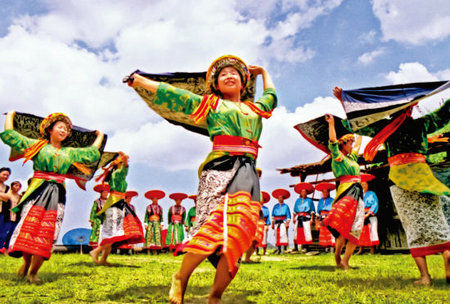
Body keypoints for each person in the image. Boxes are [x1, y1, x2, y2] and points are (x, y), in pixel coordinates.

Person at [125, 54, 276, 304]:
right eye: (223, 74)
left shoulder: (255, 109)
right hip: (219, 167)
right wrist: (140, 81)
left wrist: (262, 71)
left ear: (243, 83)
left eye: (234, 73)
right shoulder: (210, 104)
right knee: (211, 228)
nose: (229, 76)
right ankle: (180, 278)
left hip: (248, 172)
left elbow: (271, 96)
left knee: (238, 233)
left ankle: (215, 296)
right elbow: (175, 95)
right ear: (216, 84)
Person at [335, 87, 450, 284]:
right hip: (424, 177)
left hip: (401, 178)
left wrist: (343, 101)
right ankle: (447, 255)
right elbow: (445, 113)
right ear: (411, 109)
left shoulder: (386, 128)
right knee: (437, 221)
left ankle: (425, 277)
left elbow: (356, 123)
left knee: (412, 226)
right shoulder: (423, 123)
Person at [0, 111, 103, 283]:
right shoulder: (38, 146)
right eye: (60, 127)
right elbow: (10, 137)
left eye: (66, 129)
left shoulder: (70, 152)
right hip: (37, 191)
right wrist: (10, 116)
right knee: (29, 229)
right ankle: (26, 264)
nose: (63, 131)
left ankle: (33, 272)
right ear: (50, 129)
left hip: (57, 194)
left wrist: (99, 136)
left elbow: (92, 153)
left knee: (46, 232)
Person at [323, 114, 364, 270]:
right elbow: (333, 141)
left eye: (352, 142)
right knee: (343, 226)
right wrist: (331, 124)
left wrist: (360, 128)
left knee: (357, 227)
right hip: (346, 192)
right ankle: (337, 255)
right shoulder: (338, 157)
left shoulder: (353, 158)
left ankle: (346, 261)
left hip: (358, 194)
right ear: (343, 144)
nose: (352, 145)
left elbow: (359, 145)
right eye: (350, 143)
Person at [89, 153, 144, 266]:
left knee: (113, 235)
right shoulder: (118, 173)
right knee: (114, 234)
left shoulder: (114, 173)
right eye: (122, 162)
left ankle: (103, 258)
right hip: (115, 204)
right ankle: (96, 251)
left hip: (117, 204)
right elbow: (125, 170)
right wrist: (125, 161)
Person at [292, 182, 315, 253]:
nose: (303, 193)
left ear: (307, 193)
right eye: (302, 192)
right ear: (300, 193)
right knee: (297, 232)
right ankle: (296, 248)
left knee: (306, 232)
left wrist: (311, 218)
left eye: (305, 192)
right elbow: (295, 210)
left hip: (306, 218)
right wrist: (293, 218)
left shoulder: (309, 201)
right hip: (299, 218)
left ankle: (306, 248)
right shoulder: (298, 200)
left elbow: (312, 210)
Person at [357, 181, 379, 254]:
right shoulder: (359, 195)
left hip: (370, 214)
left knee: (371, 231)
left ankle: (372, 250)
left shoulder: (372, 193)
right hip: (361, 214)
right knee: (361, 232)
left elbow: (375, 204)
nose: (363, 186)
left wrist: (368, 214)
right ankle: (361, 249)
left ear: (368, 185)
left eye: (365, 184)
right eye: (362, 184)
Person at [0, 181, 22, 253]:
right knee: (3, 234)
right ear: (12, 186)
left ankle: (6, 250)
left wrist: (15, 210)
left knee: (12, 235)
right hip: (7, 218)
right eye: (16, 185)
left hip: (16, 219)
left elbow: (20, 207)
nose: (17, 187)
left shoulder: (20, 197)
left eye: (19, 186)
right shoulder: (7, 195)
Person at [315, 182, 336, 251]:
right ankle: (326, 248)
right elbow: (318, 211)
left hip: (329, 217)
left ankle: (332, 248)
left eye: (326, 192)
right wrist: (317, 220)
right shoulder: (320, 201)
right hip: (322, 218)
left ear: (329, 192)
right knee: (323, 232)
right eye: (323, 192)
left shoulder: (332, 200)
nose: (325, 193)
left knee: (330, 232)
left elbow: (333, 210)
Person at [88, 184, 110, 248]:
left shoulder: (109, 201)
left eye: (107, 192)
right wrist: (92, 220)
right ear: (101, 193)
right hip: (98, 221)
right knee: (97, 235)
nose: (106, 194)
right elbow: (93, 211)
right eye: (104, 192)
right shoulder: (97, 202)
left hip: (107, 221)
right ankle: (96, 249)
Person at [271, 189, 291, 254]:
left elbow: (288, 215)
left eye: (281, 198)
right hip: (277, 222)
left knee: (284, 235)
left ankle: (285, 249)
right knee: (277, 236)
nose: (280, 199)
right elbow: (272, 216)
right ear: (277, 199)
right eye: (279, 198)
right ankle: (279, 249)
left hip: (283, 222)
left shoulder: (286, 206)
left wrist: (287, 223)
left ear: (283, 199)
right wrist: (272, 224)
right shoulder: (275, 206)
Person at [0, 167, 11, 253]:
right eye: (4, 174)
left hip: (1, 213)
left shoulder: (7, 187)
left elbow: (7, 198)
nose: (5, 177)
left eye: (7, 175)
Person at [256, 191, 271, 255]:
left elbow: (268, 218)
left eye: (262, 200)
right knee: (256, 237)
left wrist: (267, 225)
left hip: (264, 224)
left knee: (264, 237)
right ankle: (256, 251)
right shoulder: (256, 207)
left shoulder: (266, 209)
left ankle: (265, 251)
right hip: (257, 224)